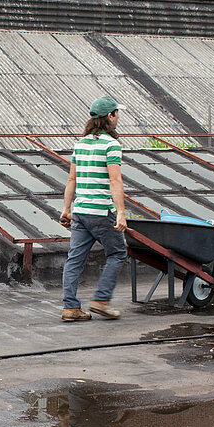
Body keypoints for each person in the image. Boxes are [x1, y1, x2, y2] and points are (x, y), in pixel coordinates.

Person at [59, 96, 129, 321]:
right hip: (100, 212)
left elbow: (72, 180)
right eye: (117, 113)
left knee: (74, 260)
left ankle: (70, 308)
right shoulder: (111, 145)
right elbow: (115, 181)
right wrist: (120, 213)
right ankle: (101, 300)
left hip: (80, 211)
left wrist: (66, 209)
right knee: (118, 252)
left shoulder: (80, 144)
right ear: (110, 116)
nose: (118, 117)